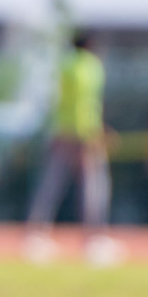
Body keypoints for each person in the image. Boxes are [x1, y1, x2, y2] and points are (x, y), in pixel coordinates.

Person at [23, 31, 122, 266]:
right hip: (82, 133)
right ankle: (93, 238)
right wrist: (93, 131)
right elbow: (87, 103)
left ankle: (36, 233)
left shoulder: (64, 66)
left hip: (62, 130)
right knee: (93, 186)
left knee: (52, 184)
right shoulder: (90, 67)